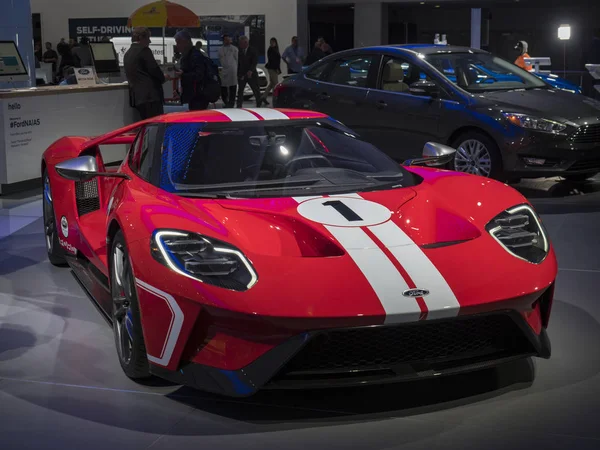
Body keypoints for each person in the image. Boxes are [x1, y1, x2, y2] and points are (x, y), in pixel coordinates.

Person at [123, 27, 165, 120]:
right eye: (148, 38)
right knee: (156, 126)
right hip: (150, 97)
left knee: (145, 127)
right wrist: (163, 78)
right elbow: (154, 69)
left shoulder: (127, 54)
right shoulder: (144, 50)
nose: (149, 42)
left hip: (137, 98)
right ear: (141, 38)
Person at [175, 30, 211, 111]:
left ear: (186, 42)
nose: (177, 46)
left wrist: (183, 75)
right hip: (190, 96)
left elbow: (199, 75)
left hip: (197, 97)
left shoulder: (195, 56)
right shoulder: (185, 56)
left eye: (178, 43)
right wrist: (179, 91)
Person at [236, 35, 261, 108]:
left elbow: (254, 61)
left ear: (246, 42)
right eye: (239, 43)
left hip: (251, 74)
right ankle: (239, 106)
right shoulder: (239, 51)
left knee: (256, 90)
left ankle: (259, 105)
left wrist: (250, 71)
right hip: (242, 74)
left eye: (241, 43)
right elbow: (238, 63)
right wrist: (238, 74)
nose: (240, 45)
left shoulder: (253, 50)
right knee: (240, 91)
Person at [218, 33, 238, 108]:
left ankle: (231, 102)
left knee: (233, 86)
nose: (227, 41)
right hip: (224, 70)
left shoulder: (234, 49)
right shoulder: (220, 49)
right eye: (225, 40)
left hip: (233, 70)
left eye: (228, 39)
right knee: (223, 87)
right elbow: (221, 59)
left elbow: (237, 59)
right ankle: (225, 101)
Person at [261, 37, 281, 106]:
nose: (272, 44)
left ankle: (264, 96)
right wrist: (277, 68)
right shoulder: (271, 50)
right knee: (275, 84)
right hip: (272, 68)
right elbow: (273, 60)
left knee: (272, 84)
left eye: (273, 42)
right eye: (271, 42)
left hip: (273, 68)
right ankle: (275, 99)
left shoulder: (274, 49)